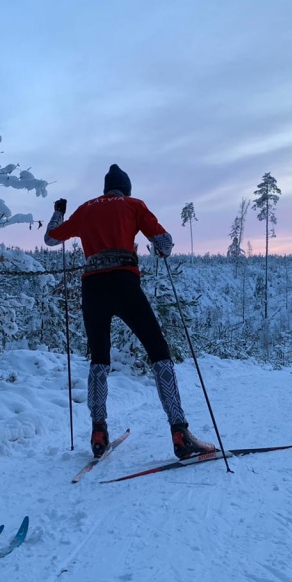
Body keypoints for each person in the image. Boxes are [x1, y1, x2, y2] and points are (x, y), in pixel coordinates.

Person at [44, 163, 216, 460]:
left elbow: (51, 238)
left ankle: (98, 432)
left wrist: (58, 212)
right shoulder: (133, 205)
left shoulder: (86, 209)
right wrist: (161, 247)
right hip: (125, 283)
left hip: (92, 287)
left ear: (105, 189)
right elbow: (164, 243)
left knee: (99, 359)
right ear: (126, 189)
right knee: (158, 351)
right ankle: (179, 432)